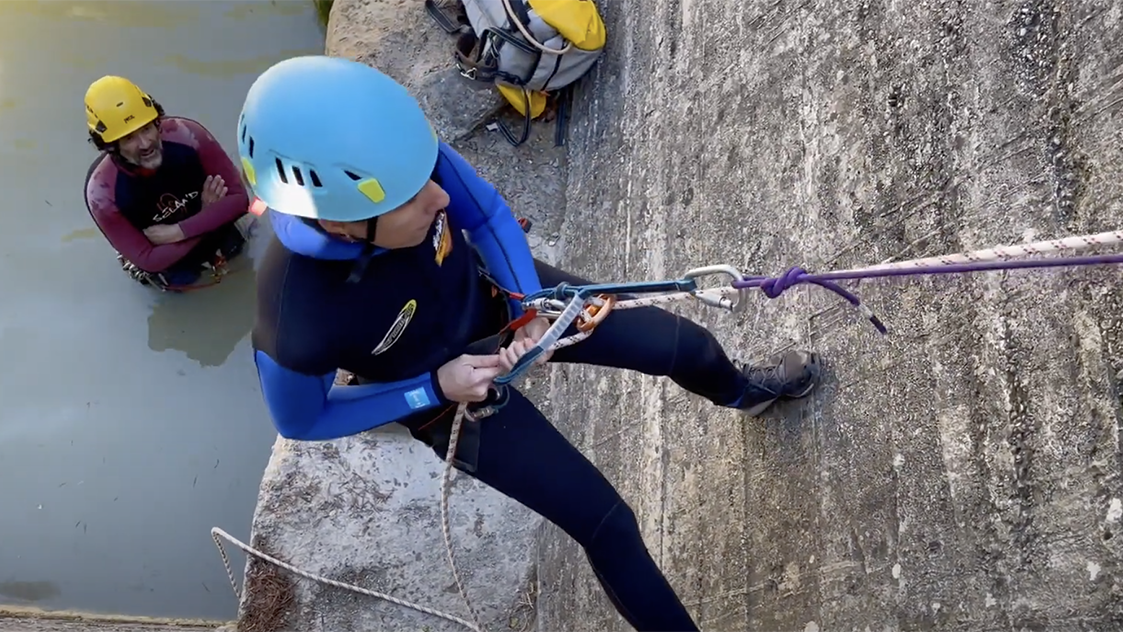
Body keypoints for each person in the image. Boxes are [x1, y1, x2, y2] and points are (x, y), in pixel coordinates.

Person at [243, 55, 822, 632]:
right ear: (344, 222)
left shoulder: (406, 169)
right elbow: (304, 420)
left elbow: (489, 216)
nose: (439, 198)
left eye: (428, 177)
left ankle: (746, 393)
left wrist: (527, 307)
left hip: (502, 299)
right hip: (449, 396)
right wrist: (430, 389)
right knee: (607, 524)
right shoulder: (295, 316)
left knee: (684, 347)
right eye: (413, 199)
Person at [82, 75, 254, 290]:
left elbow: (239, 201)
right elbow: (149, 260)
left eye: (146, 128)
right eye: (128, 138)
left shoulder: (188, 136)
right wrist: (210, 216)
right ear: (110, 146)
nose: (145, 143)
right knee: (181, 283)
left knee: (239, 249)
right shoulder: (102, 192)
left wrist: (179, 231)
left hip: (208, 237)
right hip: (173, 265)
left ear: (157, 121)